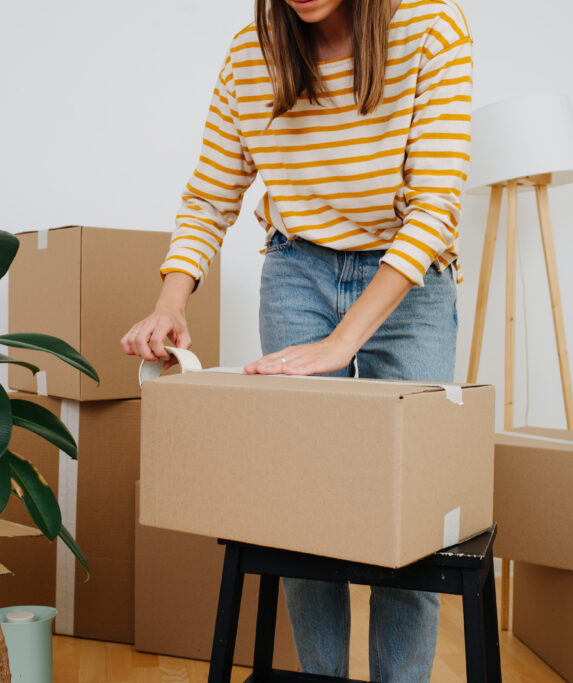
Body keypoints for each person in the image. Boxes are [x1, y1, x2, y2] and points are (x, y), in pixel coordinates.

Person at [121, 0, 471, 679]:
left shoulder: (432, 27)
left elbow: (435, 205)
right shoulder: (250, 56)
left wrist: (343, 341)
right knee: (304, 507)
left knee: (412, 513)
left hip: (409, 278)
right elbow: (209, 196)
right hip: (297, 269)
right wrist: (171, 302)